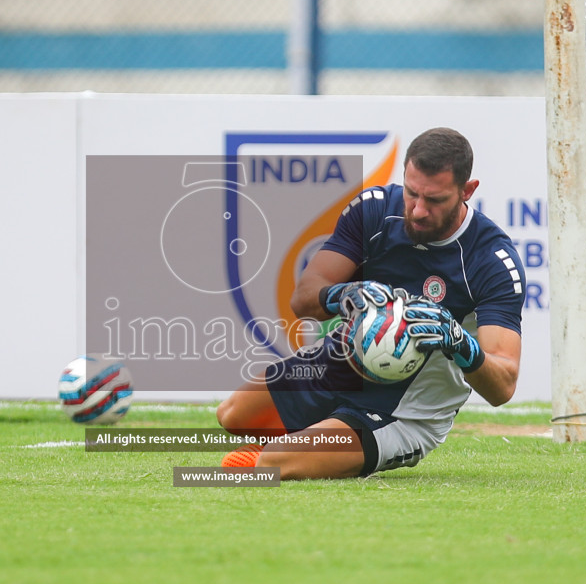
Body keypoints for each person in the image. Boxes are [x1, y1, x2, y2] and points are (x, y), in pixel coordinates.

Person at [215, 127, 524, 480]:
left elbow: (503, 386)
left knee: (273, 465)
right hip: (341, 365)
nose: (419, 210)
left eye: (435, 200)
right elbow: (303, 299)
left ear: (467, 191)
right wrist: (341, 295)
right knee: (233, 415)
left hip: (407, 412)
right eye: (412, 193)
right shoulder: (375, 210)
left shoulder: (491, 260)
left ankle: (312, 447)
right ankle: (318, 441)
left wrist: (458, 341)